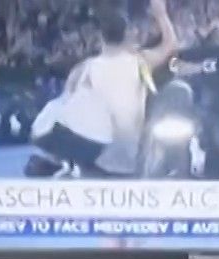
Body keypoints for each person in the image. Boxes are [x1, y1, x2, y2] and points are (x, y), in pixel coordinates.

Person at [27, 0, 179, 178]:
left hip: (97, 158)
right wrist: (161, 13)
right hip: (130, 159)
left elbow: (65, 111)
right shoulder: (140, 61)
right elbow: (170, 45)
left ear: (100, 37)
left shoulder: (84, 69)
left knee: (58, 108)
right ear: (127, 35)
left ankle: (61, 162)